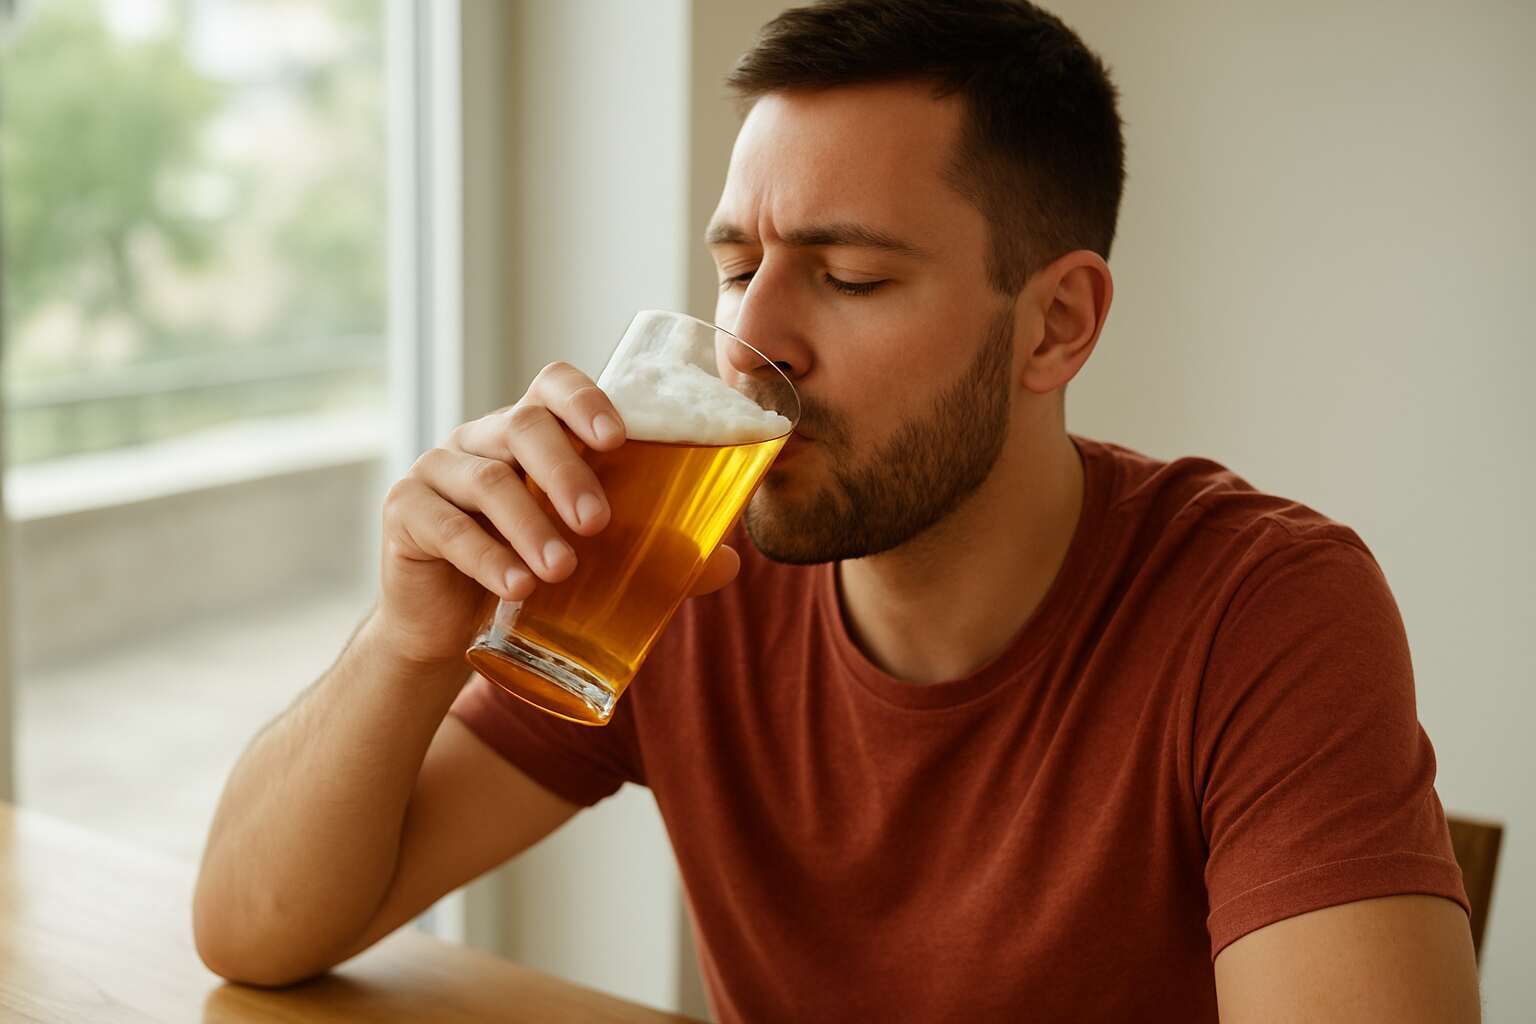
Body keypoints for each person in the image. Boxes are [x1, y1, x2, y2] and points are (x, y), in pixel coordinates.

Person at [193, 1, 1481, 1019]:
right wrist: (406, 641)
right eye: (738, 268)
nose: (752, 341)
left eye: (851, 277)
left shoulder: (1260, 610)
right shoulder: (687, 568)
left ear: (1057, 324)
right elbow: (255, 931)